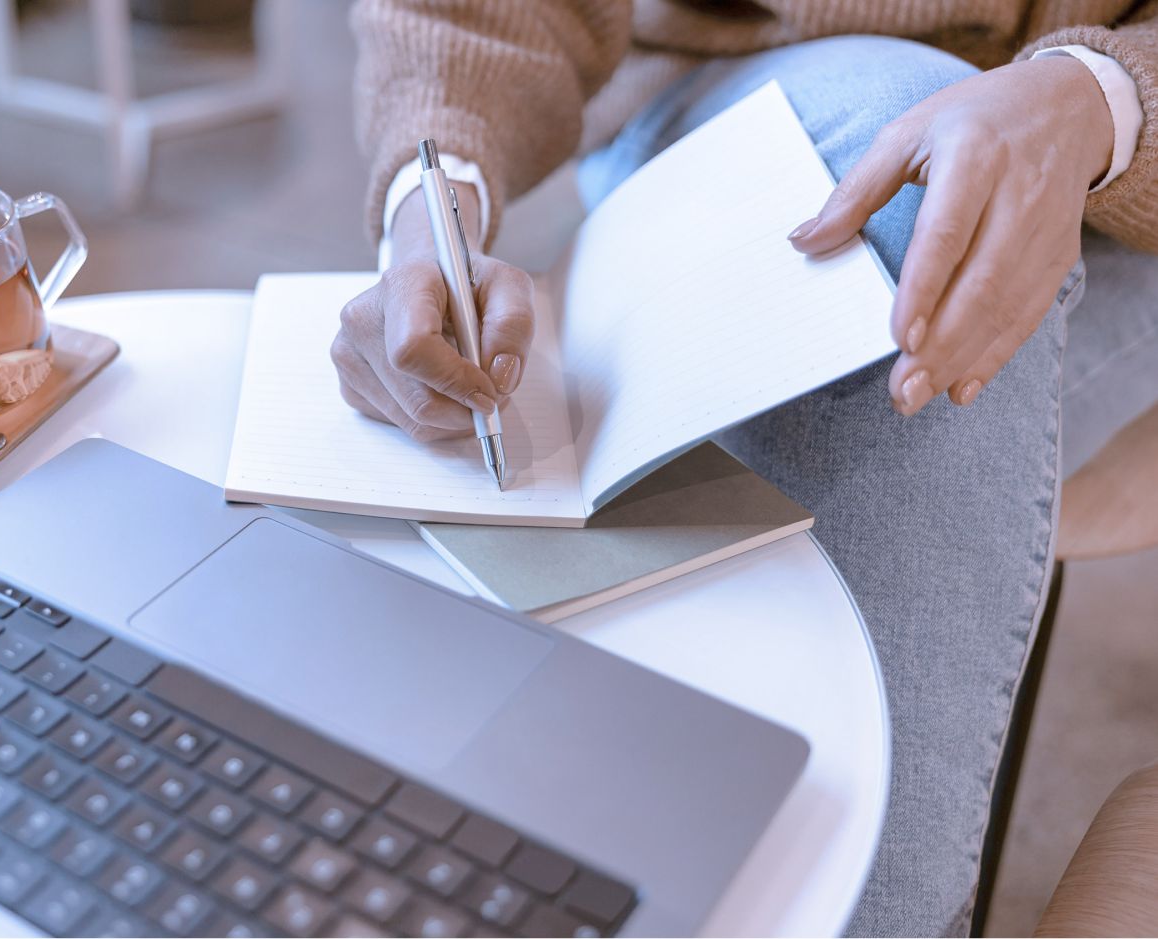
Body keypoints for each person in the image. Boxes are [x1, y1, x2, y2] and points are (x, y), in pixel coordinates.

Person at [334, 1, 1158, 934]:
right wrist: (429, 201)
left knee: (919, 295)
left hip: (1134, 168)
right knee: (910, 229)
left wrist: (1100, 97)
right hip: (754, 90)